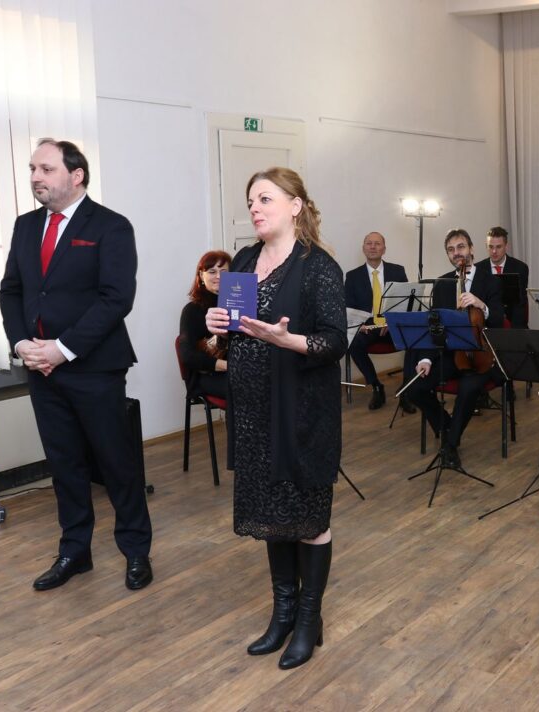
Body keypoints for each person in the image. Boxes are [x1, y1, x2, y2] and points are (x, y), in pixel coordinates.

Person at [206, 167, 346, 669]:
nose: (255, 208)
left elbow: (335, 340)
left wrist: (290, 340)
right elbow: (233, 328)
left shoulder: (319, 267)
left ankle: (309, 619)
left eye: (265, 198)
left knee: (308, 519)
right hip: (253, 415)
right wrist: (216, 324)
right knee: (271, 517)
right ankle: (282, 614)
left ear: (295, 205)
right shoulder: (245, 260)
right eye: (251, 201)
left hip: (302, 414)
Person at [0, 138, 153, 592]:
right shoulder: (26, 226)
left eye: (46, 169)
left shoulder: (110, 226)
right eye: (32, 169)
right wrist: (22, 343)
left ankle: (136, 550)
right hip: (40, 369)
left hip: (94, 368)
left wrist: (62, 349)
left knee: (116, 463)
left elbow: (116, 299)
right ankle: (74, 551)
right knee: (64, 464)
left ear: (76, 175)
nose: (35, 177)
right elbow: (11, 291)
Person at [404, 228, 505, 468]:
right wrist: (426, 359)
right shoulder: (443, 283)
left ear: (471, 249)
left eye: (461, 247)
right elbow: (434, 326)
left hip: (484, 356)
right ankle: (447, 427)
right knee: (414, 388)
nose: (456, 253)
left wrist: (481, 305)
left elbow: (499, 320)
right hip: (453, 354)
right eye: (451, 250)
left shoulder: (490, 280)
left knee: (468, 388)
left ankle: (450, 445)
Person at [344, 231, 411, 410]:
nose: (373, 247)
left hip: (392, 324)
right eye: (369, 243)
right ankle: (376, 386)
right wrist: (359, 325)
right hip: (369, 325)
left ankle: (407, 390)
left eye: (377, 243)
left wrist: (391, 320)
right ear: (363, 248)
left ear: (384, 249)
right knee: (353, 344)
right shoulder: (352, 276)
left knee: (416, 340)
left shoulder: (398, 271)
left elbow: (405, 302)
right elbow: (348, 306)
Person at [179, 250, 232, 399]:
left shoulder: (240, 306)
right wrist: (228, 366)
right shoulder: (191, 310)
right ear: (201, 276)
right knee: (245, 387)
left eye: (224, 272)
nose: (219, 276)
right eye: (212, 272)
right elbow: (188, 355)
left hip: (237, 370)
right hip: (206, 375)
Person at [477, 226, 530, 328]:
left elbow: (520, 304)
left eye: (498, 247)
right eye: (490, 247)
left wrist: (515, 332)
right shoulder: (479, 269)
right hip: (487, 323)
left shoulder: (520, 268)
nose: (494, 251)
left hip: (512, 321)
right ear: (486, 246)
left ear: (506, 246)